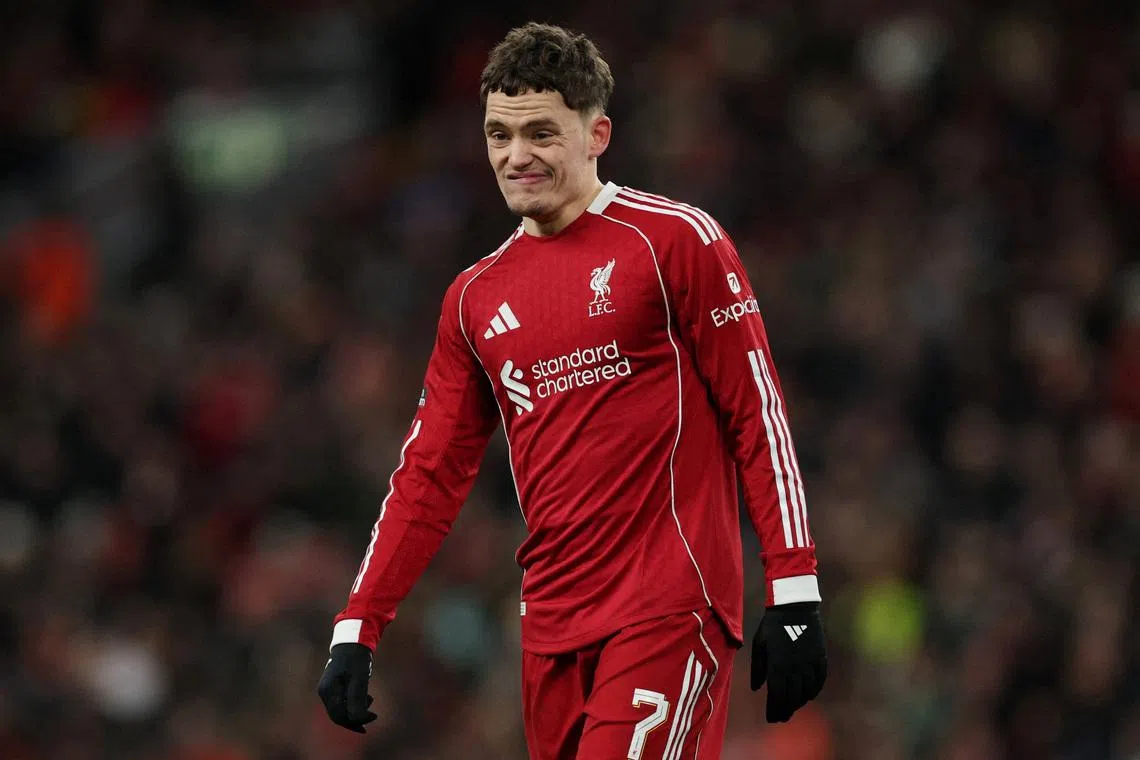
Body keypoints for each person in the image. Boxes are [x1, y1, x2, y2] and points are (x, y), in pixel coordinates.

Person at [317, 22, 827, 759]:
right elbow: (428, 474)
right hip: (550, 630)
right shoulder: (473, 298)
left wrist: (795, 588)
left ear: (597, 134)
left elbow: (759, 416)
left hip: (668, 608)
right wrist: (359, 625)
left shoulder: (675, 240)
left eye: (541, 134)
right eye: (498, 134)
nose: (516, 156)